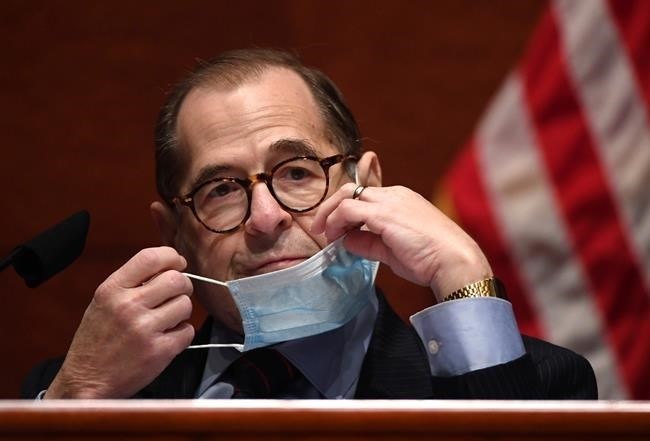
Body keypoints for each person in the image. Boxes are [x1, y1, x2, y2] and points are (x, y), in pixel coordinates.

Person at [22, 48, 597, 400]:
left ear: (366, 185)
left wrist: (465, 278)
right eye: (221, 190)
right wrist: (80, 397)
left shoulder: (543, 384)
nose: (267, 219)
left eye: (296, 173)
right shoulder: (80, 392)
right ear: (173, 231)